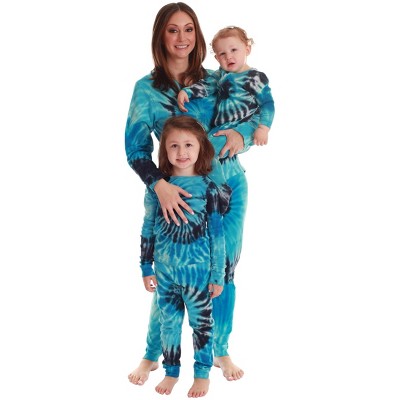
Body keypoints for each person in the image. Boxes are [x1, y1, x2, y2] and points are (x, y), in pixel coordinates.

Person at [125, 2, 272, 385]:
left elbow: (252, 113)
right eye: (173, 29)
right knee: (171, 277)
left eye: (188, 29)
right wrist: (160, 186)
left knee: (222, 272)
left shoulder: (218, 76)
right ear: (160, 36)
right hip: (175, 194)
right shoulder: (146, 90)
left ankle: (219, 350)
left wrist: (243, 135)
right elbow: (136, 149)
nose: (182, 37)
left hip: (229, 186)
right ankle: (152, 354)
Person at [139, 115, 229, 397]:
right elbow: (148, 227)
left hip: (198, 273)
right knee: (169, 324)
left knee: (202, 325)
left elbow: (217, 235)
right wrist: (146, 266)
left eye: (188, 144)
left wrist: (217, 275)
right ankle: (171, 371)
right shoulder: (156, 188)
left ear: (201, 147)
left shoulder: (209, 189)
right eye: (174, 146)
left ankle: (202, 374)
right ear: (164, 149)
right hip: (166, 273)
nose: (181, 152)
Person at [178, 25, 274, 148]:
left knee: (209, 151)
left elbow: (267, 104)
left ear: (247, 49)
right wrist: (187, 92)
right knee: (201, 147)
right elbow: (207, 84)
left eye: (234, 50)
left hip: (239, 127)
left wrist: (263, 128)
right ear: (217, 58)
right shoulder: (221, 74)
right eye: (222, 53)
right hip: (219, 126)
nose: (228, 56)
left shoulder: (255, 78)